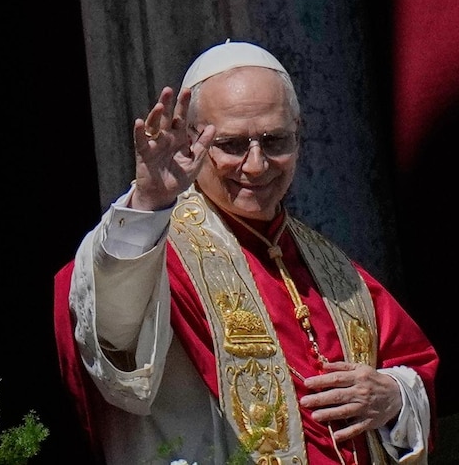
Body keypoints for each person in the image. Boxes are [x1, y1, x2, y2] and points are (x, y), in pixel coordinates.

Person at [58, 41, 438, 465]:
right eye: (233, 145)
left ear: (299, 130)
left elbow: (414, 367)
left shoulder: (331, 267)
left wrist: (392, 396)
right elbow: (109, 332)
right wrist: (149, 202)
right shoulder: (152, 247)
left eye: (275, 141)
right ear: (190, 139)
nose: (257, 165)